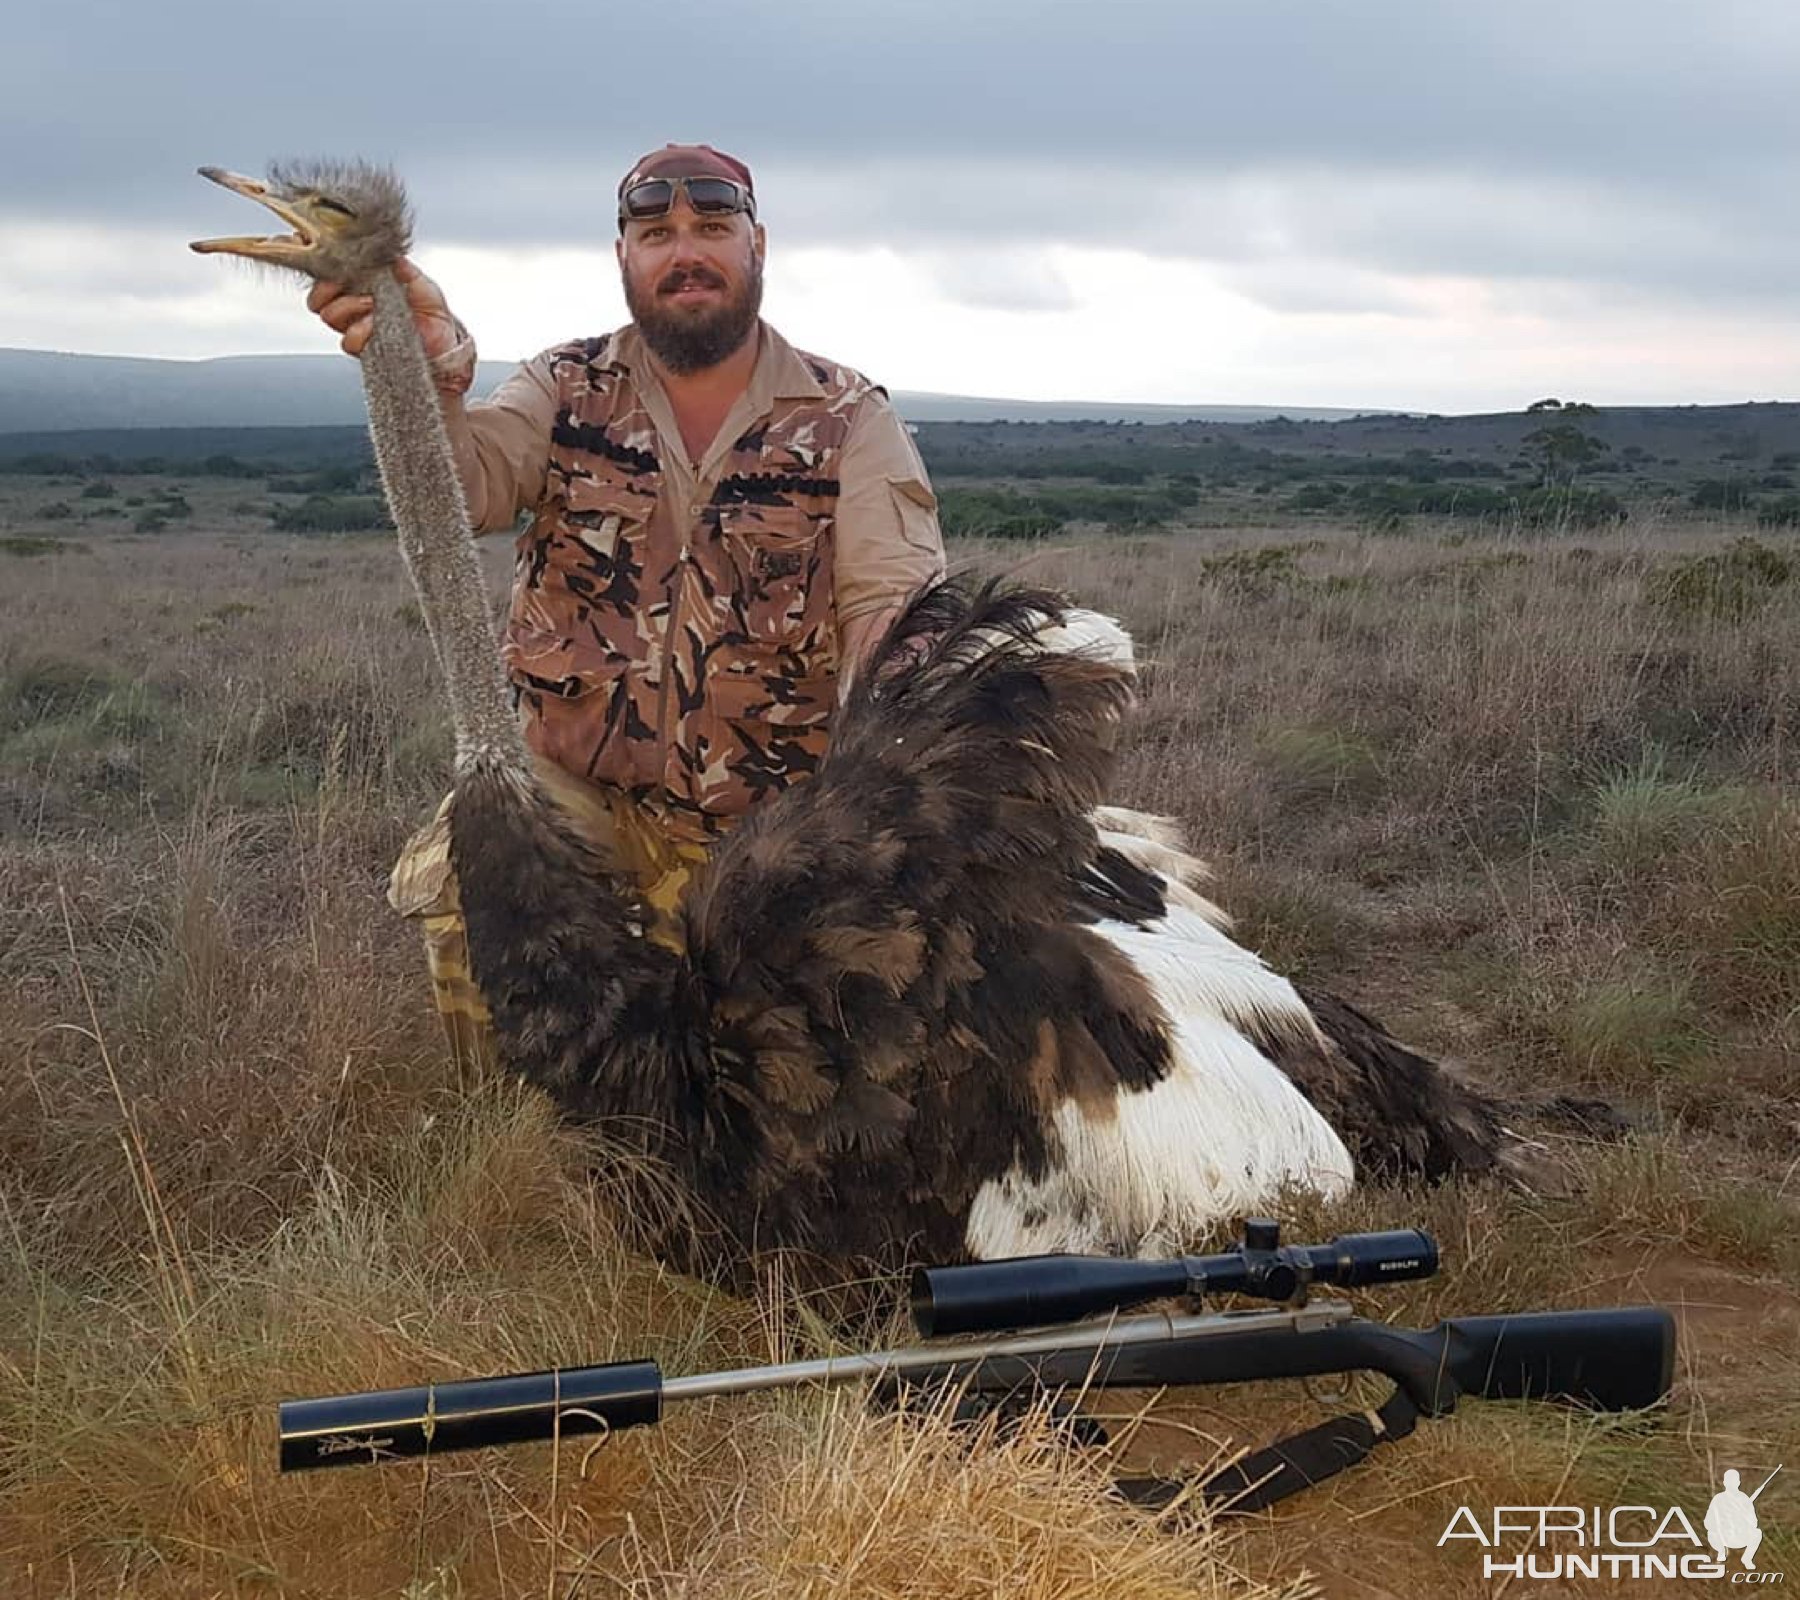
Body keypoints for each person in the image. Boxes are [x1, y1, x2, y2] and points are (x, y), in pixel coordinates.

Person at [309, 143, 947, 1071]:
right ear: (624, 259)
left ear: (757, 246)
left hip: (763, 823)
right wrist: (422, 376)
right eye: (656, 234)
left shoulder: (847, 418)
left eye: (712, 229)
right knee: (469, 871)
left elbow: (893, 612)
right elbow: (466, 487)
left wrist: (874, 791)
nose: (685, 251)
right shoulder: (564, 388)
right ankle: (516, 1147)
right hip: (578, 792)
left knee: (786, 1045)